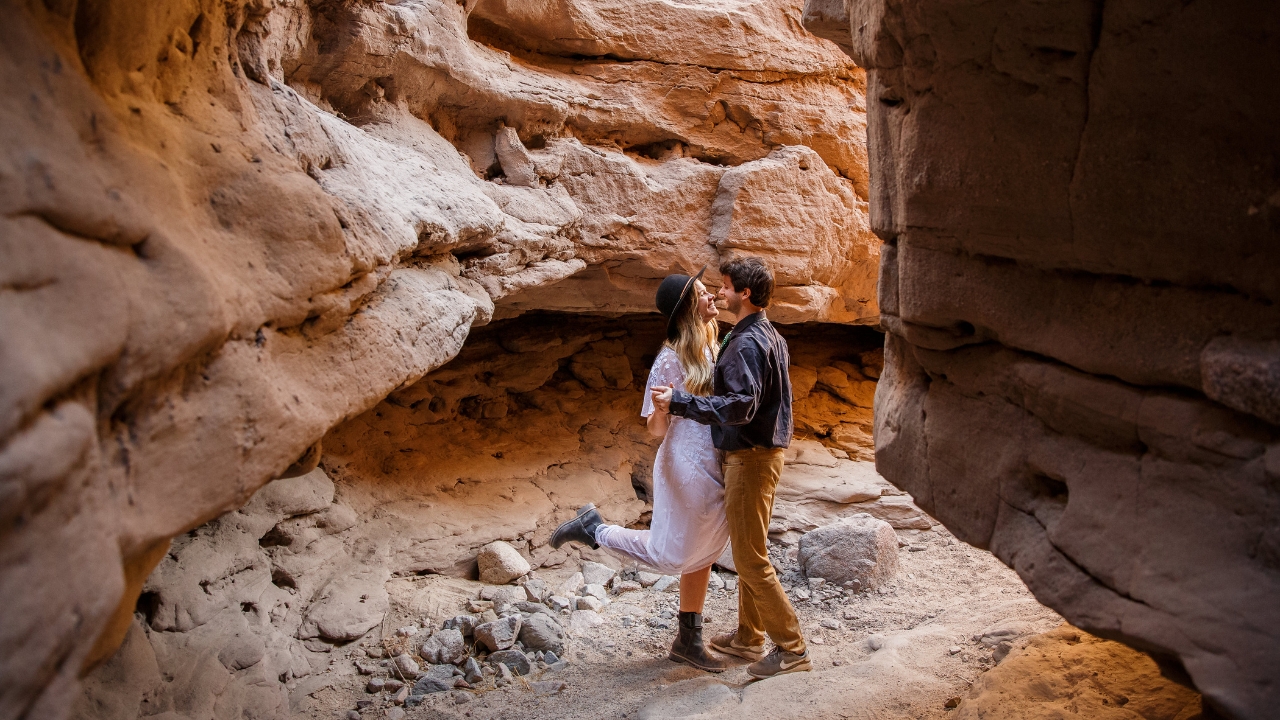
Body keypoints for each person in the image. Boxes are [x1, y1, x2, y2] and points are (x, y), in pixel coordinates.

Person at [549, 265, 730, 673]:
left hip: (714, 459)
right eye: (702, 294)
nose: (711, 298)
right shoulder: (669, 357)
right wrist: (665, 405)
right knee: (672, 555)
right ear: (686, 310)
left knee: (705, 549)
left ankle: (689, 640)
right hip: (685, 461)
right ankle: (595, 529)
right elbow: (655, 429)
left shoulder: (712, 346)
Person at [650, 256, 810, 680]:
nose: (718, 294)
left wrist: (682, 402)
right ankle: (748, 637)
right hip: (762, 453)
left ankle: (792, 649)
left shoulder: (742, 343)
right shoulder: (765, 334)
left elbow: (740, 406)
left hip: (751, 457)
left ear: (745, 293)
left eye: (723, 288)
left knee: (750, 557)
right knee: (748, 549)